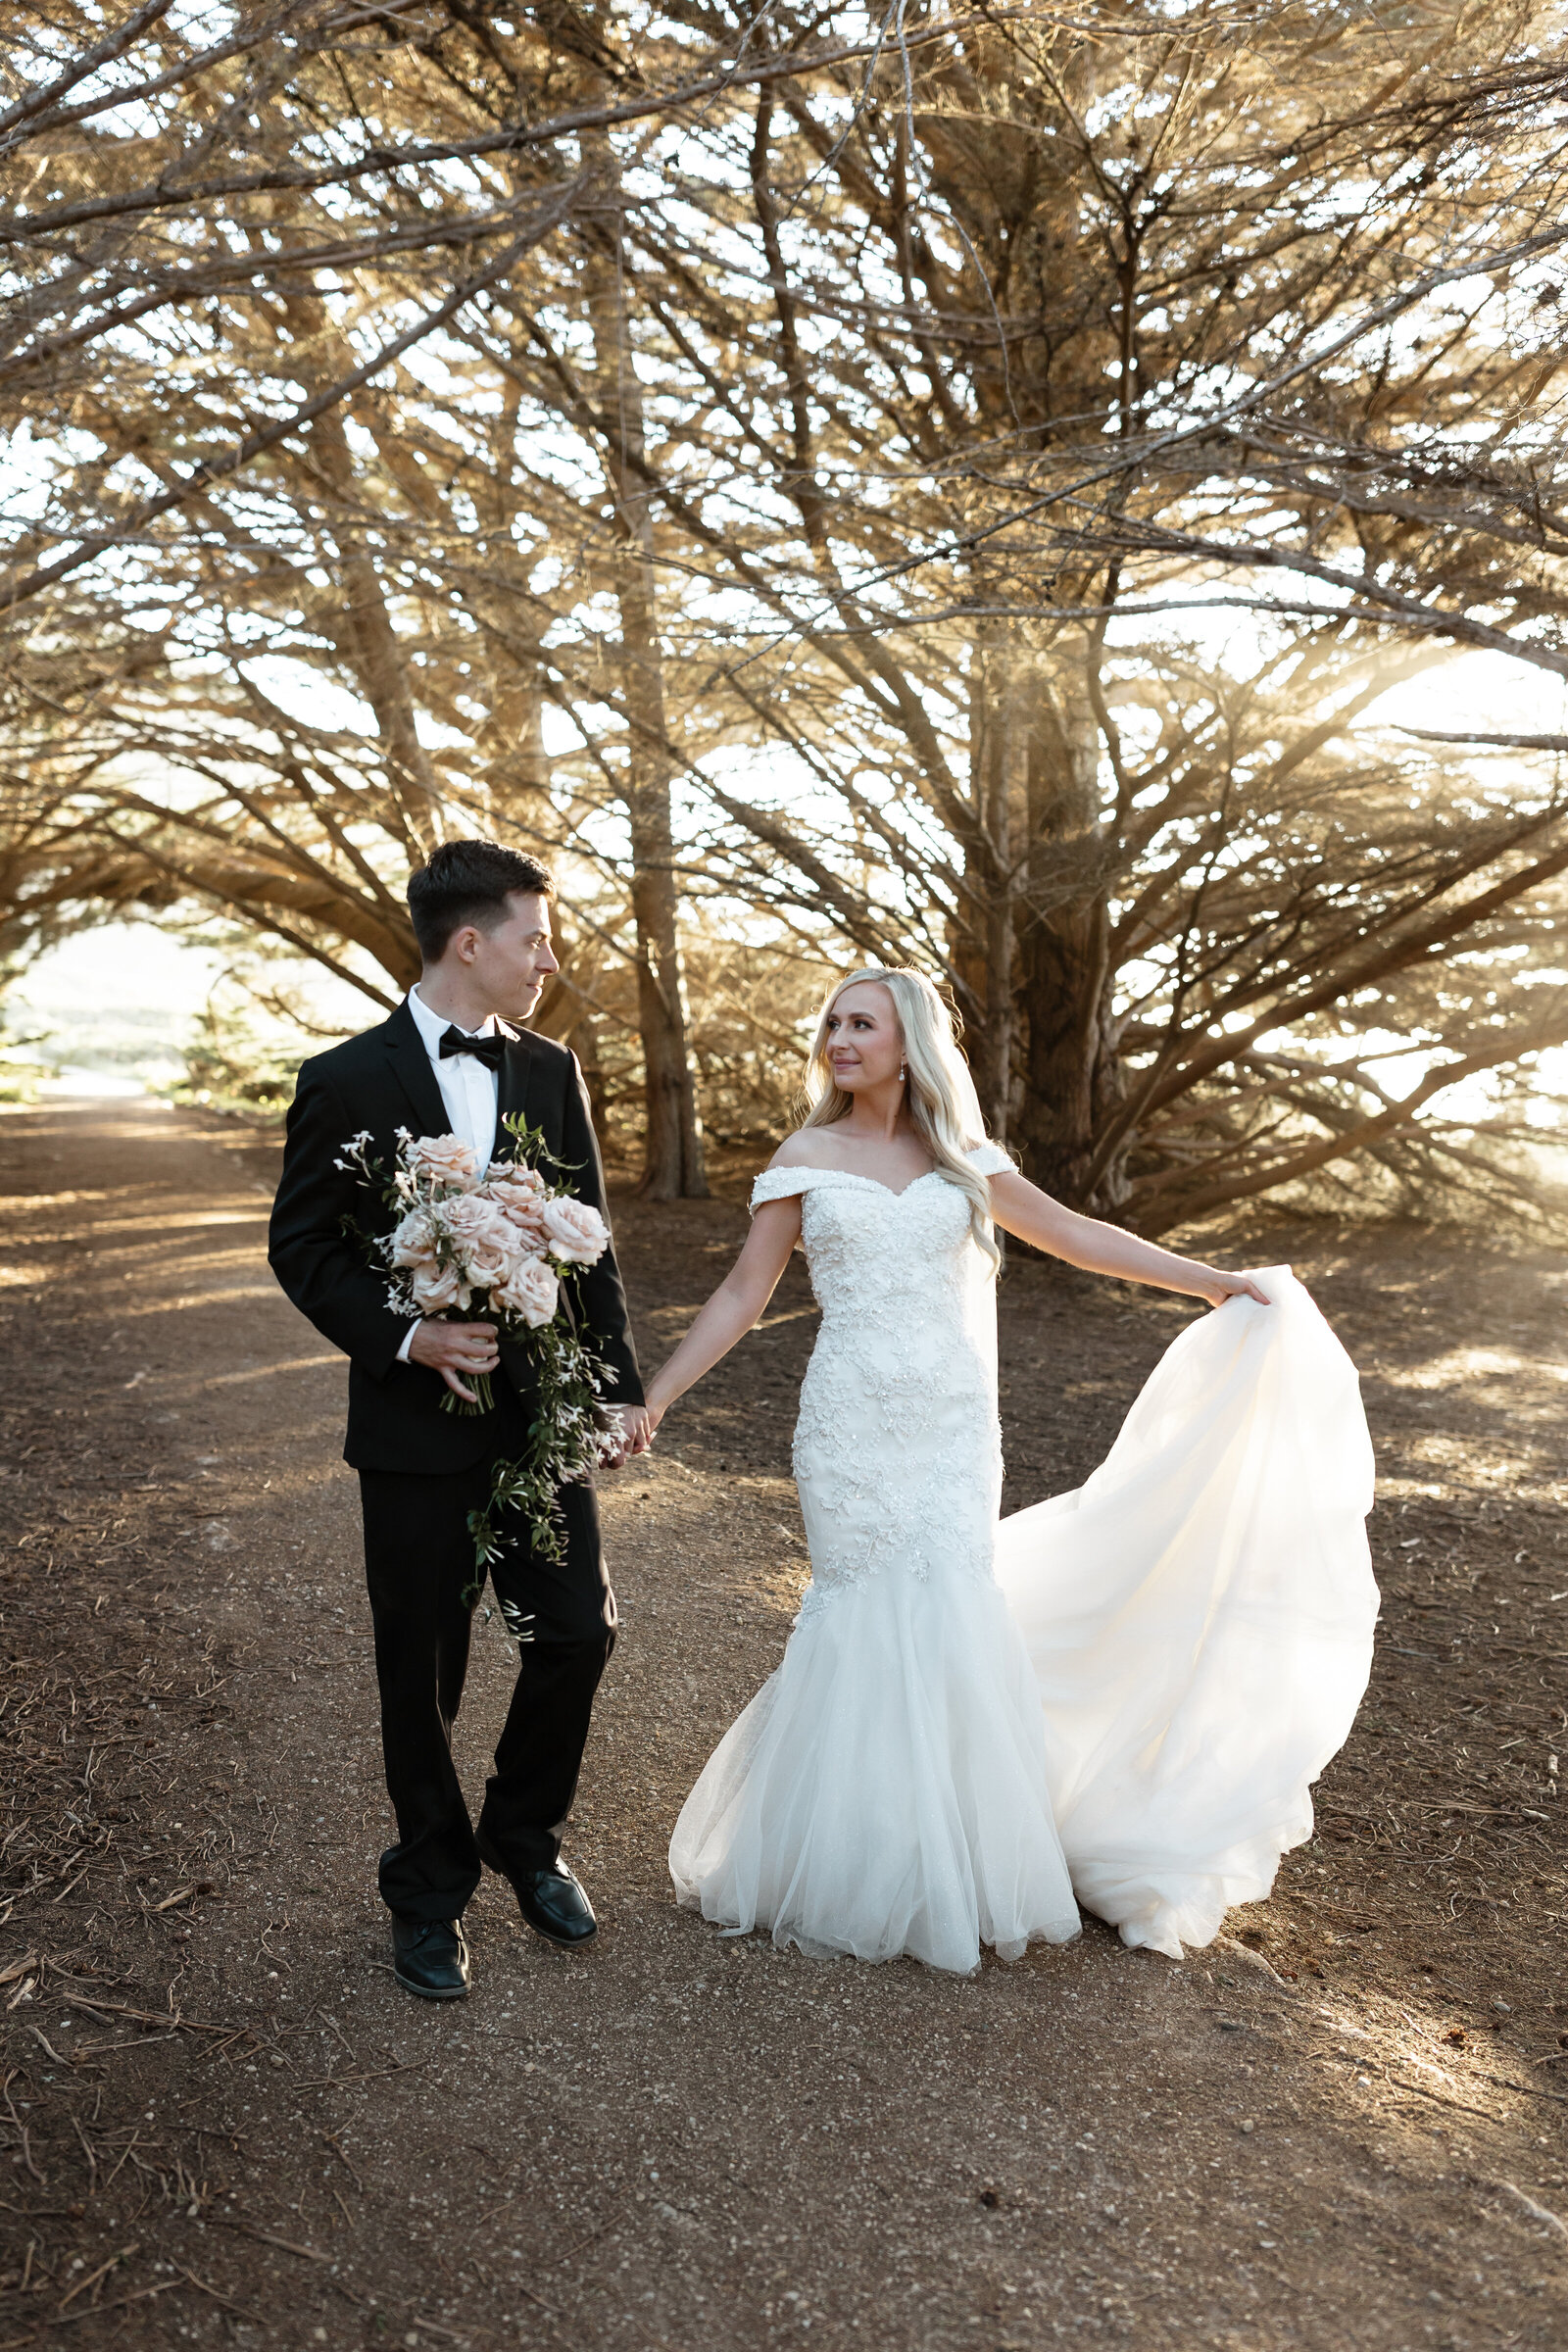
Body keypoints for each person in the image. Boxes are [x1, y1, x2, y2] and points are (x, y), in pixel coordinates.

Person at [644, 967, 1377, 1974]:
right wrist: (657, 1397)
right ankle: (852, 1860)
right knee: (859, 1613)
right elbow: (740, 1293)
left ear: (911, 1043)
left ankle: (954, 1861)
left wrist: (1208, 1282)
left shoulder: (960, 1159)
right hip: (849, 1422)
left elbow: (1071, 1235)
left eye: (862, 1023)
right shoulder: (804, 1155)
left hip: (949, 1428)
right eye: (832, 1024)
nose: (838, 1039)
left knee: (948, 1610)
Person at [269, 840, 650, 2000]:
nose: (550, 957)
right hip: (413, 1429)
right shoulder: (345, 1076)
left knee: (576, 1629)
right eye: (536, 937)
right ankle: (429, 1889)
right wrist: (409, 1334)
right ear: (470, 942)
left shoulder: (550, 1068)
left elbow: (587, 1238)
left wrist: (618, 1382)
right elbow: (304, 1248)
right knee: (422, 1670)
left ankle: (521, 1837)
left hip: (537, 1420)